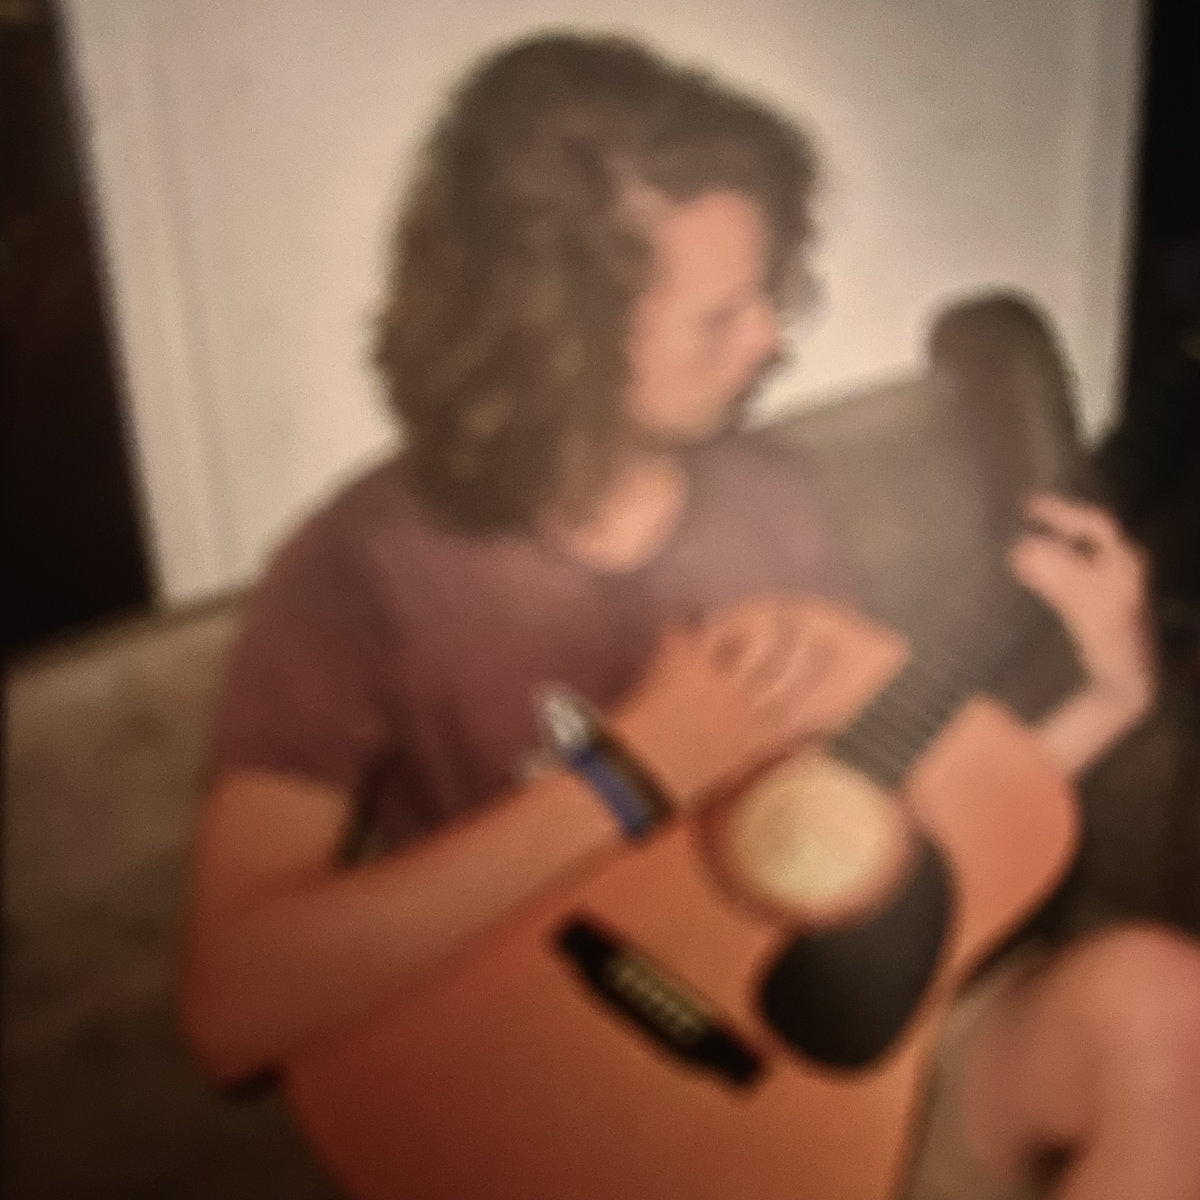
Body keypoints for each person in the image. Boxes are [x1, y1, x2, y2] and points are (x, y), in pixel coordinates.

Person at [179, 32, 1200, 1200]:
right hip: (554, 1124)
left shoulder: (770, 501)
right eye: (721, 317)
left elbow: (848, 842)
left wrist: (1106, 702)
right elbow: (233, 1012)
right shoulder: (362, 571)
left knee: (1168, 1011)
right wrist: (627, 780)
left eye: (768, 295)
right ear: (553, 333)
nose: (771, 339)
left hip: (813, 1081)